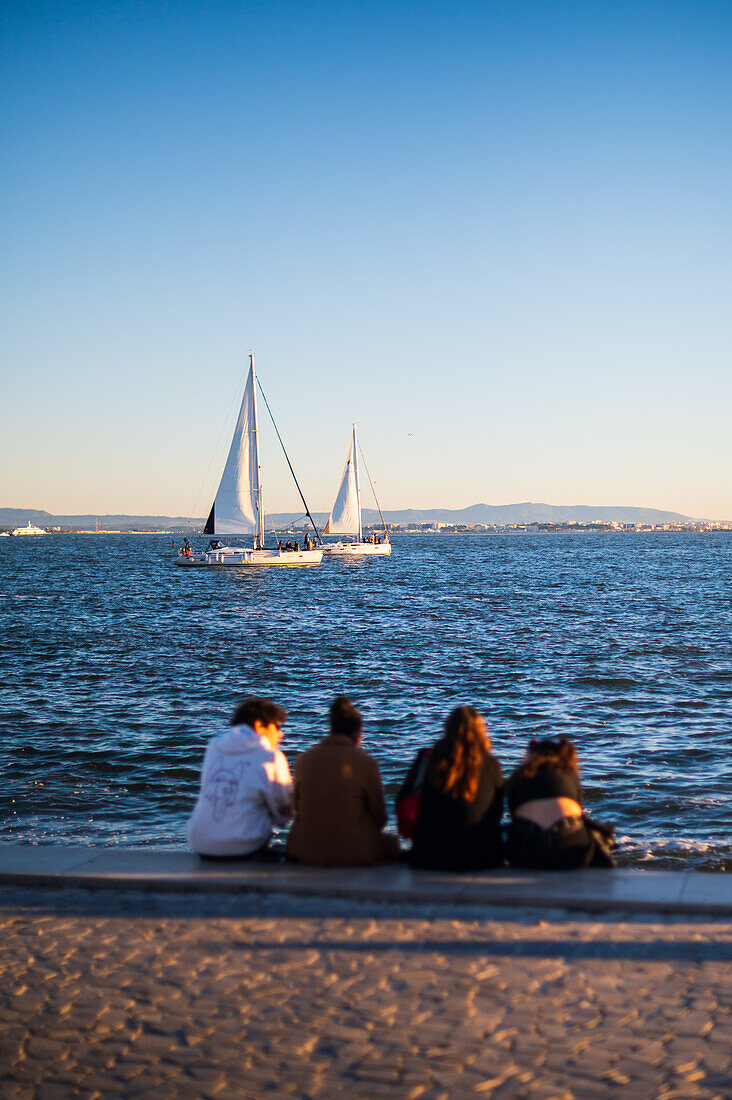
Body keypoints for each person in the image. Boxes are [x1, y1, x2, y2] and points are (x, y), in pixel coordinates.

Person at [287, 696, 399, 866]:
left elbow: (297, 807)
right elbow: (380, 817)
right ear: (357, 733)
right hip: (355, 852)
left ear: (331, 728)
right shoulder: (366, 762)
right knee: (392, 842)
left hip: (306, 851)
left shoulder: (303, 760)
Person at [186, 696, 293, 859]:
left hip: (200, 844)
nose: (281, 734)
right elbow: (283, 813)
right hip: (244, 846)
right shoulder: (271, 756)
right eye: (277, 726)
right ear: (259, 725)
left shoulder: (214, 747)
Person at [403, 706, 504, 871]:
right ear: (481, 731)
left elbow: (404, 801)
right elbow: (497, 812)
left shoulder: (428, 760)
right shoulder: (491, 765)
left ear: (447, 728)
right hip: (481, 857)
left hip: (428, 856)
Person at [505, 738, 615, 869]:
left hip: (527, 849)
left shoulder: (520, 775)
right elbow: (579, 811)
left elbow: (513, 814)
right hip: (571, 846)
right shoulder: (569, 774)